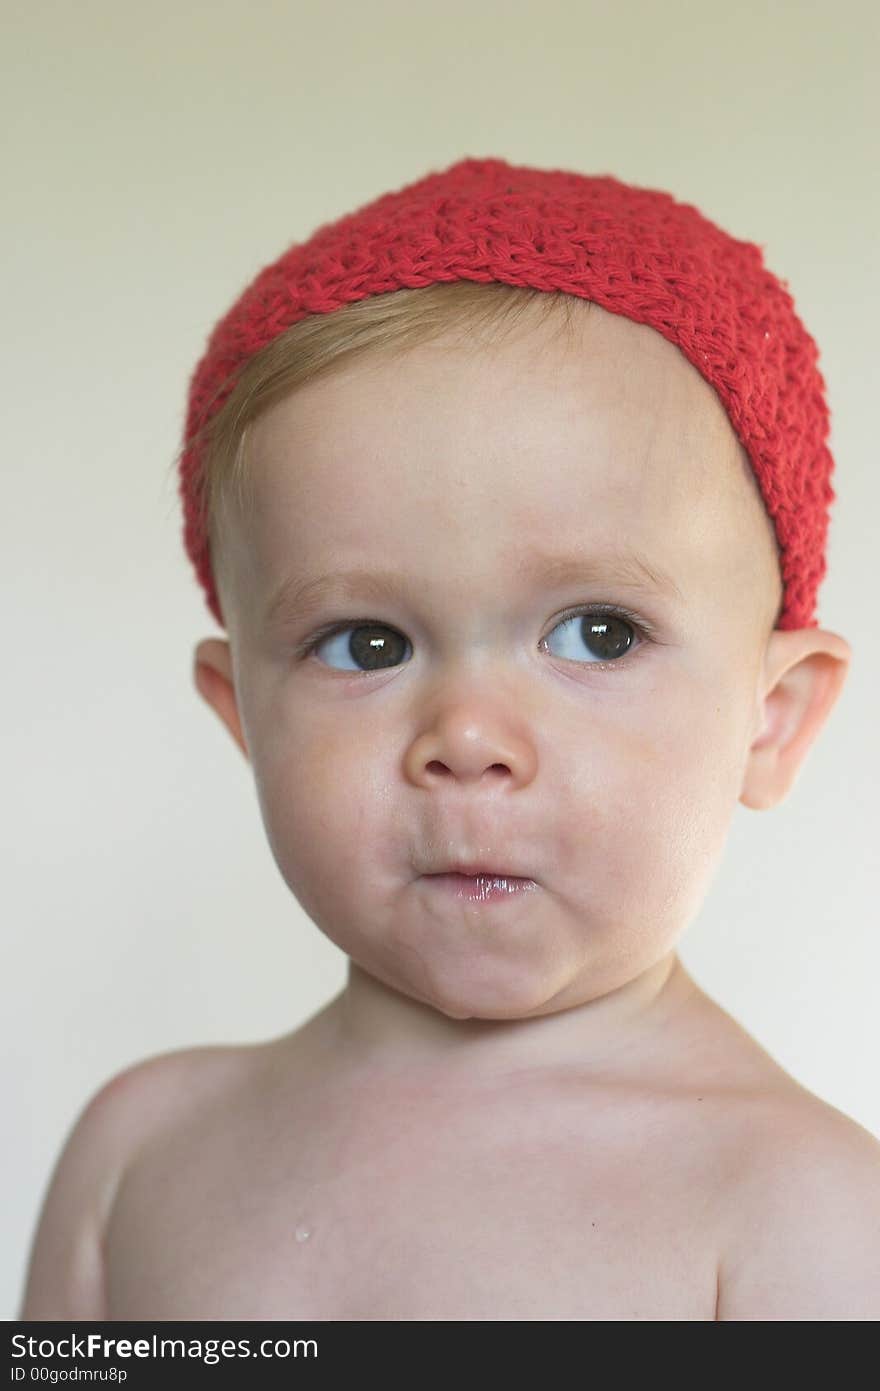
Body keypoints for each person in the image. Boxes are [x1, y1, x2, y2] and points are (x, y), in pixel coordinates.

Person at [19, 156, 880, 1321]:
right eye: (366, 644)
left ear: (770, 719)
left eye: (597, 632)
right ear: (244, 719)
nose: (468, 736)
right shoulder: (136, 1158)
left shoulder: (802, 1216)